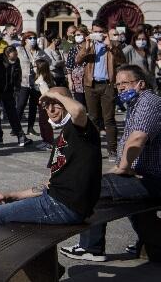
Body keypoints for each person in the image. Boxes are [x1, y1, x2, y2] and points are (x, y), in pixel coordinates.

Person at [61, 64, 161, 262]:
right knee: (131, 200)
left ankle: (91, 247)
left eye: (124, 83)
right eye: (117, 84)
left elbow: (137, 139)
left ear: (140, 84)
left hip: (153, 179)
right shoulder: (137, 103)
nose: (120, 88)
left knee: (95, 187)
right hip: (144, 174)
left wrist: (121, 168)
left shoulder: (149, 102)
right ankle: (154, 244)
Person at [0, 87, 101, 229]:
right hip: (56, 201)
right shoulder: (61, 138)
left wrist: (53, 94)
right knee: (2, 207)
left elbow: (79, 111)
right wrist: (12, 195)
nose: (50, 109)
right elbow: (50, 183)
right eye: (46, 105)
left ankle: (14, 251)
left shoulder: (80, 129)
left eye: (56, 103)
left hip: (65, 206)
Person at [76, 19, 126, 162]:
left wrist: (110, 46)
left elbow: (122, 60)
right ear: (91, 31)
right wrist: (86, 46)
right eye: (95, 31)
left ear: (105, 33)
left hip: (107, 85)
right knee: (93, 119)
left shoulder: (113, 45)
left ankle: (112, 151)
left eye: (100, 32)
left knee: (109, 119)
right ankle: (94, 149)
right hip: (90, 85)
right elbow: (78, 61)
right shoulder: (88, 45)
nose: (97, 34)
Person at [0, 46, 27, 146]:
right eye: (13, 56)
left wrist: (17, 88)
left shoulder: (16, 60)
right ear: (7, 54)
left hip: (8, 90)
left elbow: (18, 75)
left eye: (16, 55)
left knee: (12, 112)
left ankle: (20, 135)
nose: (15, 58)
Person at [33, 58, 57, 149]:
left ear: (40, 68)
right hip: (42, 105)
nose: (33, 68)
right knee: (42, 123)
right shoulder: (40, 78)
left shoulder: (42, 81)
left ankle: (49, 142)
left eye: (35, 66)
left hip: (45, 105)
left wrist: (43, 102)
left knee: (46, 124)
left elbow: (47, 94)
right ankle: (44, 140)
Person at [65, 26, 88, 104]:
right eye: (75, 35)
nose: (76, 37)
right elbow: (69, 66)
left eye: (79, 35)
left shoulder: (90, 48)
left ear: (85, 35)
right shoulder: (73, 49)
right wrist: (70, 81)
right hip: (77, 80)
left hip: (88, 79)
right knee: (79, 102)